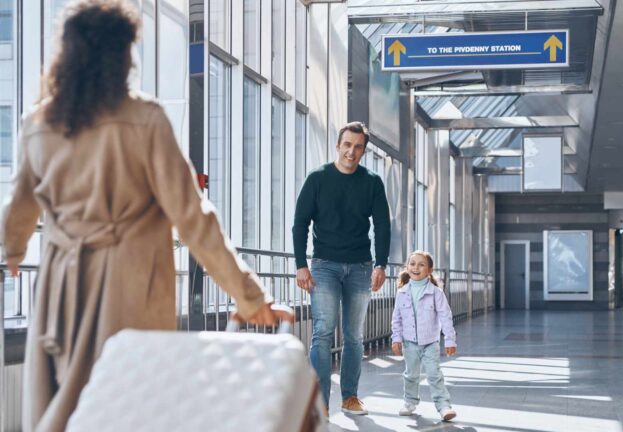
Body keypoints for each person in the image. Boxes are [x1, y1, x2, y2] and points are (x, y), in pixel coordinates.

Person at [0, 2, 291, 430]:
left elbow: (20, 203)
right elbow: (193, 218)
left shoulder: (39, 122)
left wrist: (11, 251)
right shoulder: (145, 119)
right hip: (127, 285)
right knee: (126, 406)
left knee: (62, 407)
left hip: (59, 285)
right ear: (121, 55)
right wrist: (249, 297)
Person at [292, 121, 391, 415]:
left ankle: (350, 397)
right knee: (323, 332)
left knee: (354, 335)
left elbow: (383, 226)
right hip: (324, 266)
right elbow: (300, 224)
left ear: (364, 150)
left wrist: (381, 264)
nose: (351, 151)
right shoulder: (318, 178)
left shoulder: (372, 182)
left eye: (358, 146)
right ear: (338, 145)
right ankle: (320, 404)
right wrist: (300, 265)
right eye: (347, 145)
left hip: (361, 267)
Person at [391, 251, 457, 422]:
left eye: (421, 264)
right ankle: (409, 402)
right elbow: (396, 318)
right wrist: (396, 338)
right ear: (407, 267)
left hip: (430, 342)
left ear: (429, 270)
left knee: (434, 374)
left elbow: (446, 317)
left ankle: (444, 406)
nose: (416, 267)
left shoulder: (436, 293)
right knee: (411, 374)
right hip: (409, 343)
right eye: (412, 263)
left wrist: (450, 339)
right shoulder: (402, 293)